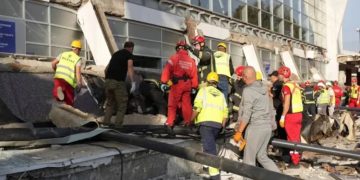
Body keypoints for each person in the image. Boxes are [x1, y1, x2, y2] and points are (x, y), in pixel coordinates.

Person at [236, 67, 279, 177]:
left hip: (255, 128)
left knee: (248, 161)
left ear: (245, 77)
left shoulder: (248, 90)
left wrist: (239, 131)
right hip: (267, 127)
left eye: (242, 77)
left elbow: (246, 114)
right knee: (262, 157)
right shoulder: (264, 88)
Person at [191, 72, 228, 180]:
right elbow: (225, 112)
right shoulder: (221, 95)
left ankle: (215, 176)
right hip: (217, 125)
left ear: (207, 82)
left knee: (210, 150)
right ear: (217, 83)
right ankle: (207, 168)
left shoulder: (203, 91)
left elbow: (197, 107)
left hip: (205, 124)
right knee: (209, 147)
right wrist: (223, 125)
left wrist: (190, 120)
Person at [161, 40, 198, 129]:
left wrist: (164, 82)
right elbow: (194, 75)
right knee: (186, 105)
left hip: (177, 84)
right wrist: (194, 86)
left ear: (177, 48)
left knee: (172, 104)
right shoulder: (191, 60)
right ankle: (187, 122)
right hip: (188, 84)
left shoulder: (174, 58)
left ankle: (169, 123)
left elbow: (167, 70)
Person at [103, 41, 135, 128]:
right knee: (122, 104)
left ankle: (105, 123)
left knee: (110, 103)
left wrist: (108, 78)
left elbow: (106, 69)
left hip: (108, 81)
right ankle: (118, 125)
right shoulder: (129, 55)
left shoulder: (115, 54)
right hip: (118, 83)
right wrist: (133, 82)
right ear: (131, 48)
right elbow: (130, 68)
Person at [278, 66, 303, 167]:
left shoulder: (286, 87)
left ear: (282, 75)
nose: (278, 76)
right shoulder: (294, 85)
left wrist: (283, 116)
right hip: (298, 114)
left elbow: (287, 103)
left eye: (279, 74)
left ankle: (295, 161)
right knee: (296, 138)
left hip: (291, 115)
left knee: (291, 139)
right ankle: (297, 158)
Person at [52, 40, 83, 106]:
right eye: (80, 50)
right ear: (77, 49)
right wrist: (79, 83)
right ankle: (69, 110)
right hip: (68, 80)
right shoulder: (78, 59)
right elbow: (78, 73)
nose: (80, 52)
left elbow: (53, 63)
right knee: (69, 99)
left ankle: (58, 93)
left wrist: (55, 70)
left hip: (58, 77)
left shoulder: (63, 53)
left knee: (58, 93)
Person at [268, 71, 286, 138]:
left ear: (274, 76)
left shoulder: (277, 84)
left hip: (277, 107)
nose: (270, 78)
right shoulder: (280, 83)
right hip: (279, 106)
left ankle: (280, 138)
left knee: (278, 124)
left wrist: (269, 91)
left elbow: (273, 95)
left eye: (271, 76)